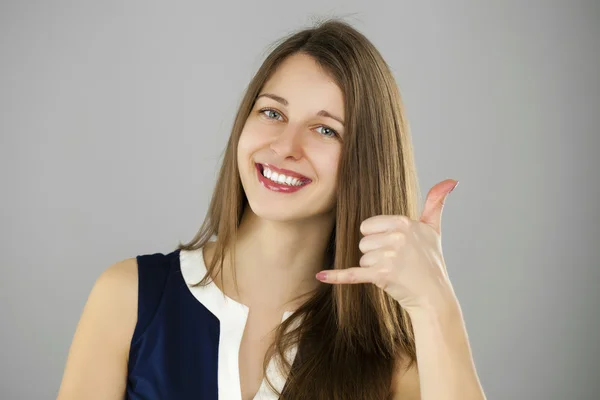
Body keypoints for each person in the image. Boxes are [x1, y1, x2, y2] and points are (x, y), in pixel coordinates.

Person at [57, 18, 486, 400]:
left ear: (368, 160)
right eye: (272, 112)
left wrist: (435, 304)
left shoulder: (394, 357)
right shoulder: (127, 296)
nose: (284, 146)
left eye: (324, 129)